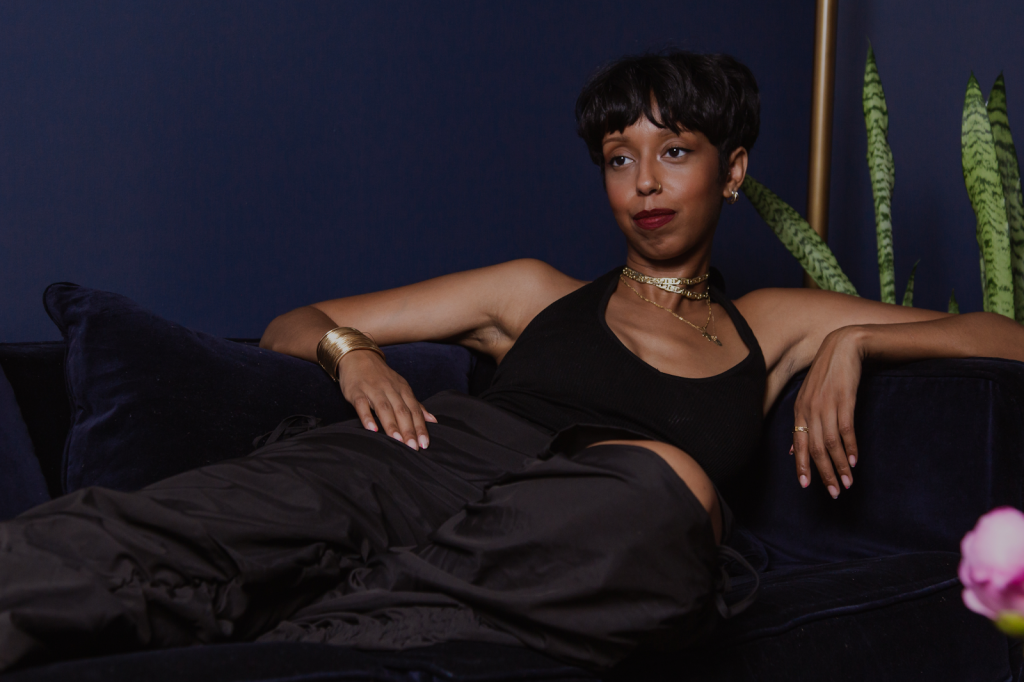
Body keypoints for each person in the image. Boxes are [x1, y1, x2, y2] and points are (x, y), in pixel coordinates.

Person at [2, 51, 1024, 674]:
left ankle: (308, 615)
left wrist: (855, 339)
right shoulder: (531, 292)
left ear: (733, 169)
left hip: (573, 533)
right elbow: (290, 324)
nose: (643, 182)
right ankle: (292, 595)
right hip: (411, 466)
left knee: (663, 487)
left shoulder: (772, 322)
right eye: (619, 158)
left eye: (674, 151)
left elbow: (1005, 336)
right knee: (134, 533)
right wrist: (353, 358)